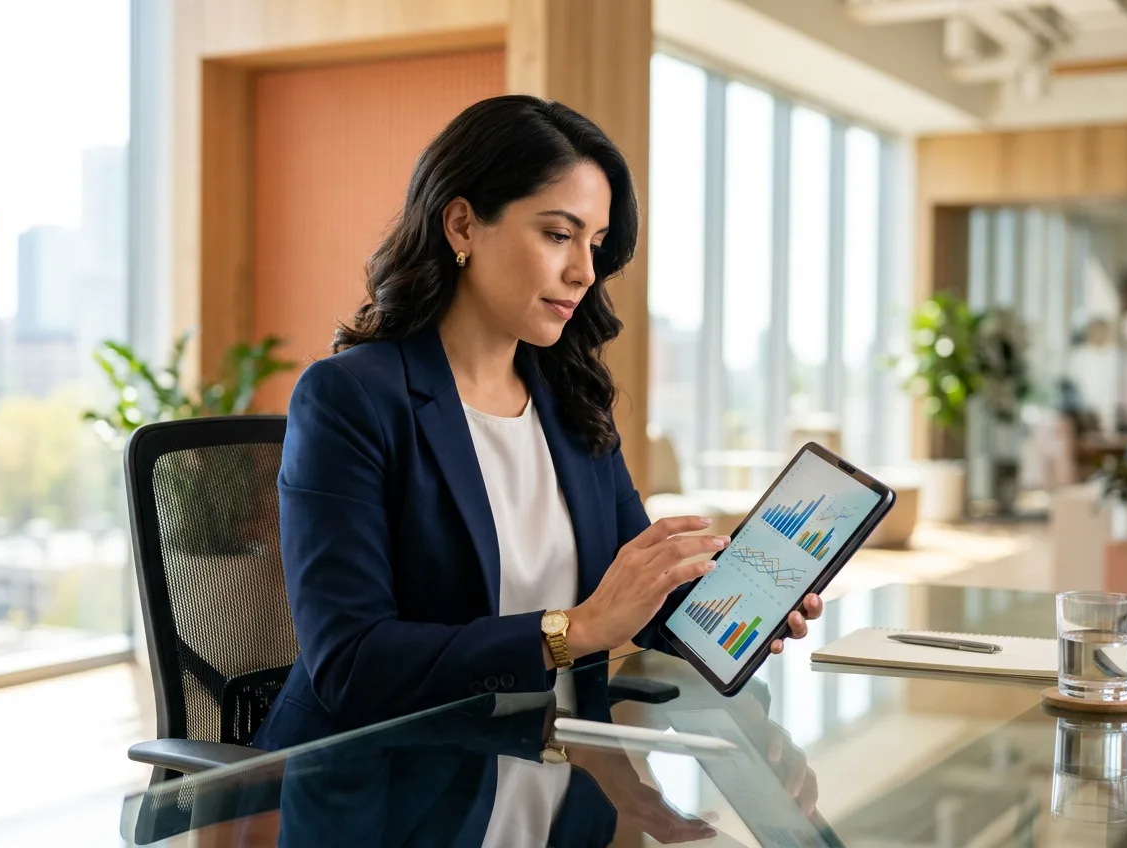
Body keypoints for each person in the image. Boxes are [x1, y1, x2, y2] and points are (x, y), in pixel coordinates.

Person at [252, 95, 822, 752]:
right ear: (463, 225)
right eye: (558, 234)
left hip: (549, 765)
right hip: (387, 784)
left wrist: (735, 603)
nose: (583, 271)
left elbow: (632, 596)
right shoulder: (349, 398)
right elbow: (351, 664)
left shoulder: (570, 399)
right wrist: (572, 631)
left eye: (596, 243)